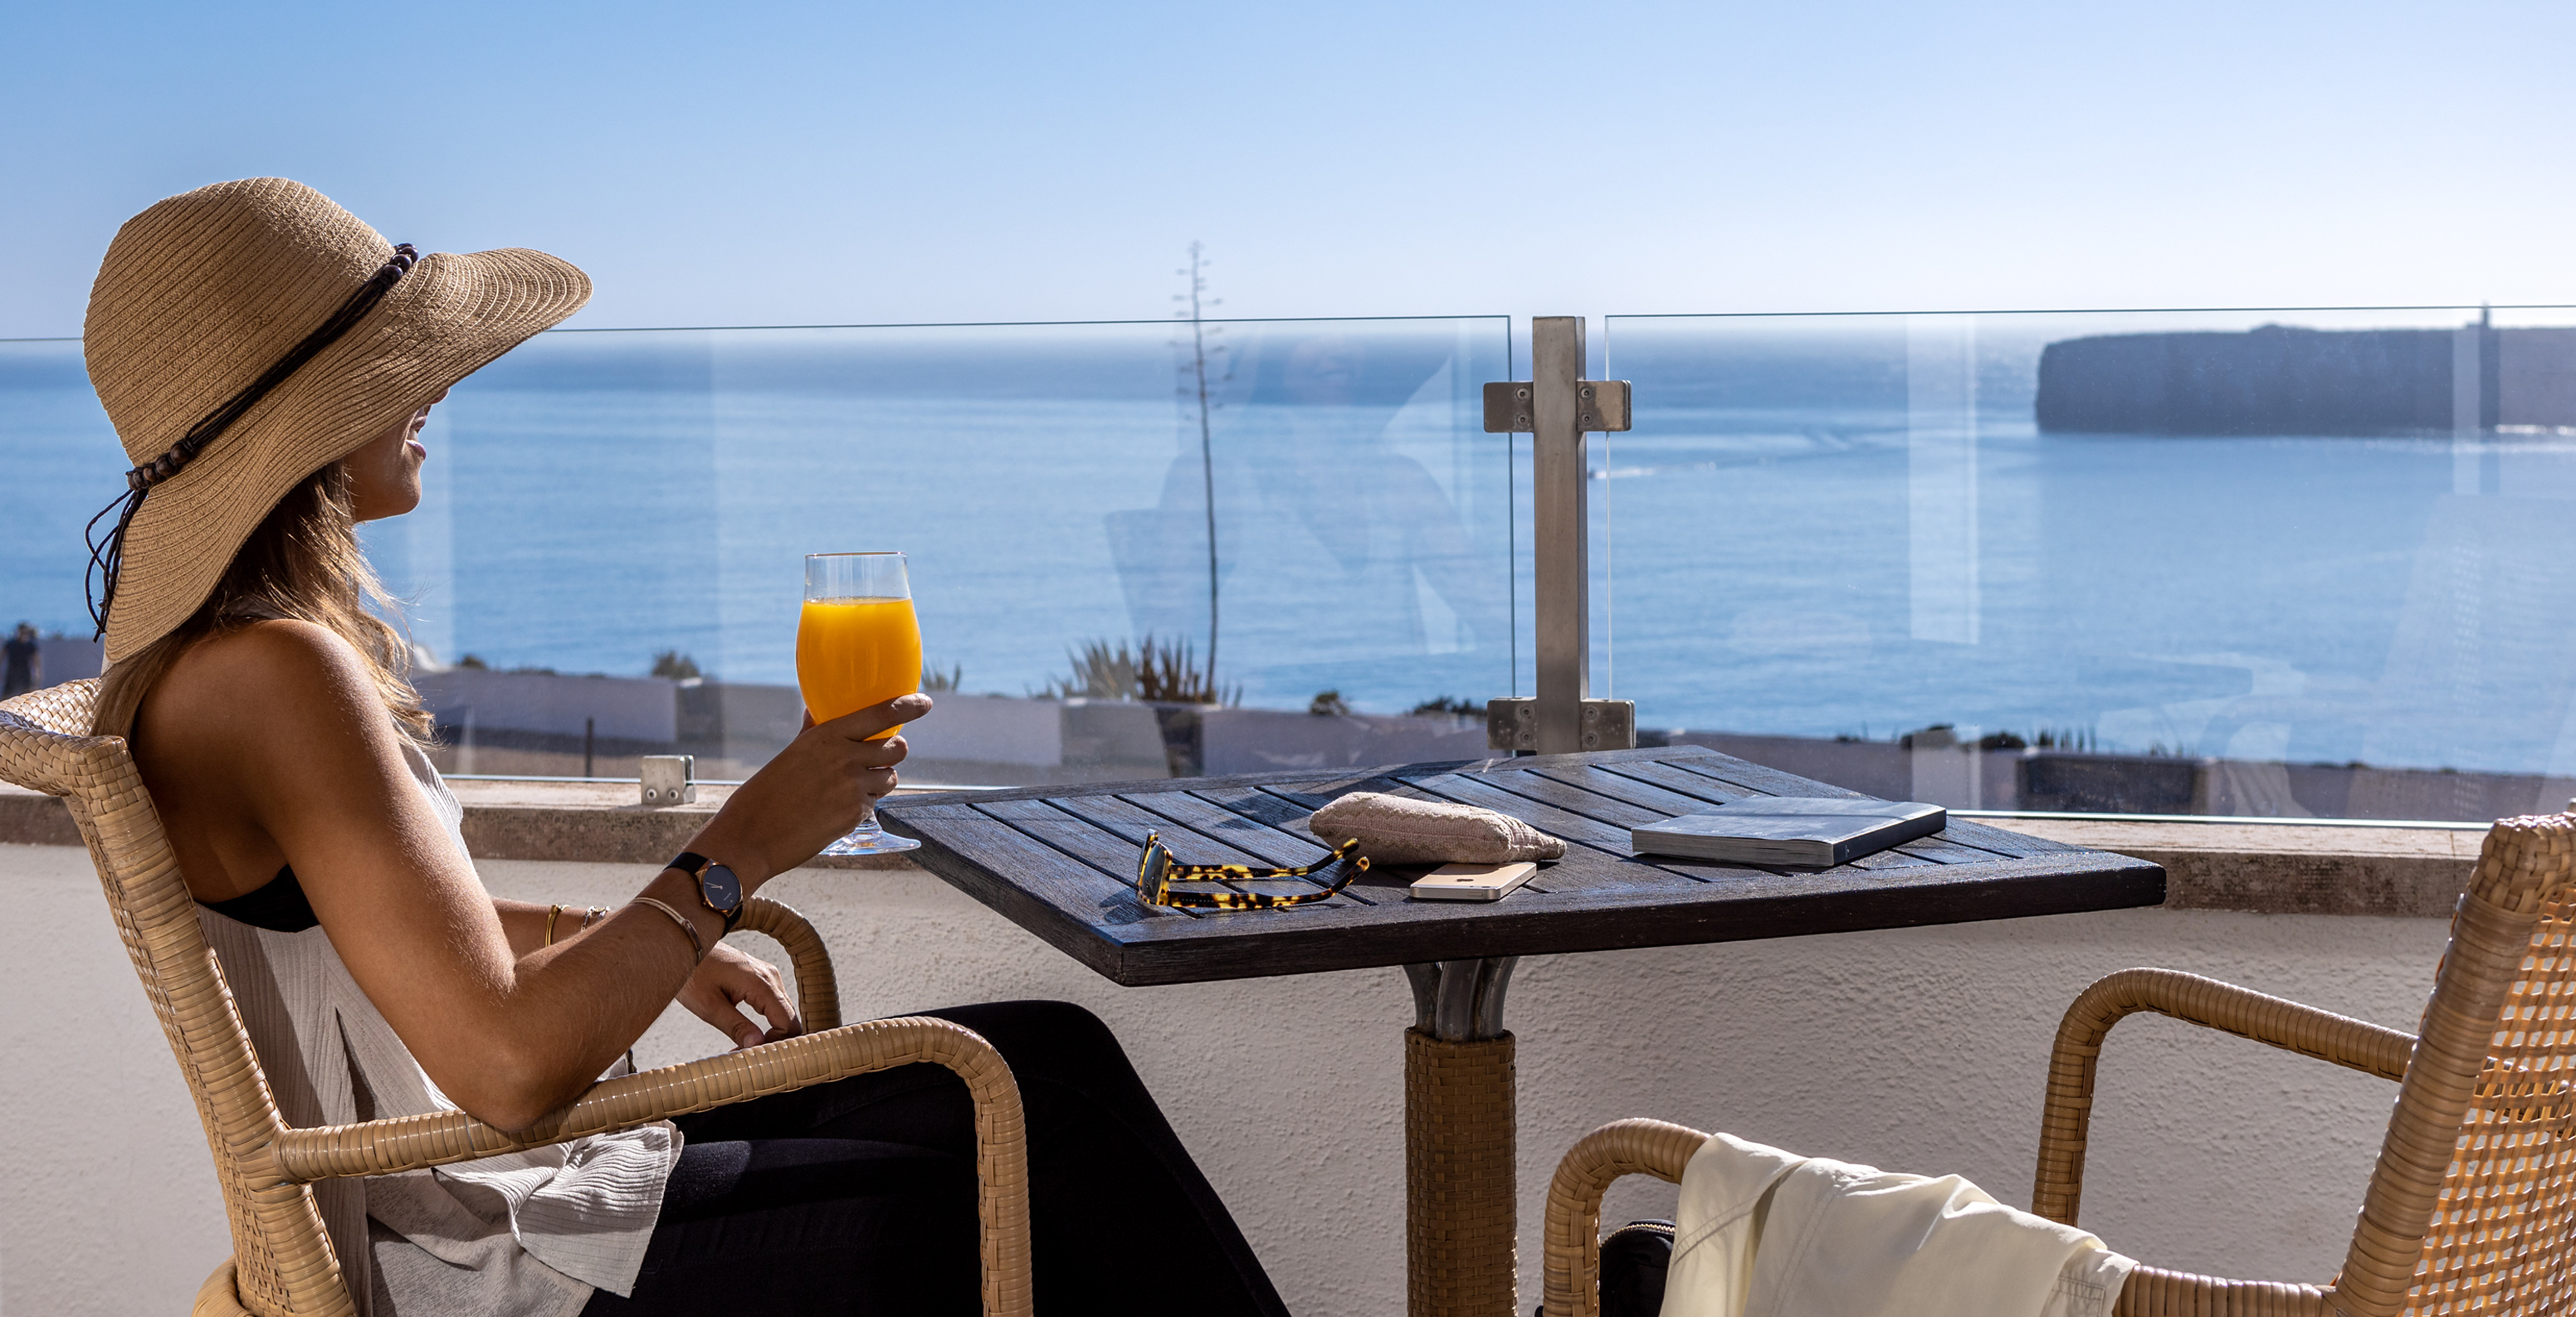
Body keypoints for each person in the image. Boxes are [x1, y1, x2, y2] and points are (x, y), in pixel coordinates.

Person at [80, 179, 1288, 1317]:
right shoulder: (280, 672)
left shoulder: (222, 661)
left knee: (1048, 1061)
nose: (431, 387)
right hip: (466, 1246)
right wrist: (741, 847)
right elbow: (507, 1066)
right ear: (308, 416)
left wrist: (621, 946)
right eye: (394, 364)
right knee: (996, 1184)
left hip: (486, 1186)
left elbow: (368, 920)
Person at [1, 622, 36, 697]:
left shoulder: (31, 645)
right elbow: (2, 656)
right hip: (12, 672)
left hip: (25, 672)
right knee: (6, 694)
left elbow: (36, 660)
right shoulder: (11, 644)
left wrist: (37, 675)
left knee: (27, 695)